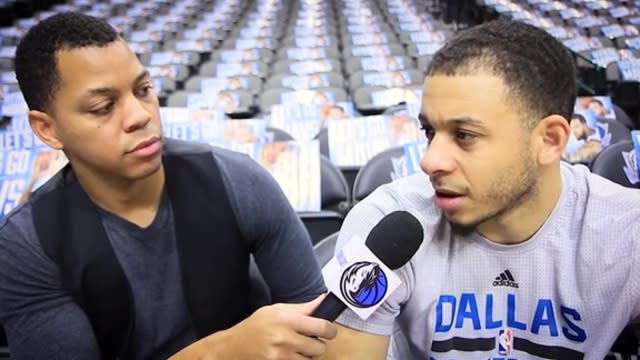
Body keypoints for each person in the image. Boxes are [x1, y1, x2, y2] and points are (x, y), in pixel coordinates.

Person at [0, 12, 337, 359]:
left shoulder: (239, 181)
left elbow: (322, 331)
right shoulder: (27, 245)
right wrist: (224, 351)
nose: (140, 115)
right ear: (47, 129)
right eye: (103, 107)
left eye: (143, 90)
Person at [321, 19, 640, 359]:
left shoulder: (627, 232)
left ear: (549, 140)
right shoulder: (384, 225)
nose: (430, 161)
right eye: (429, 131)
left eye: (465, 136)